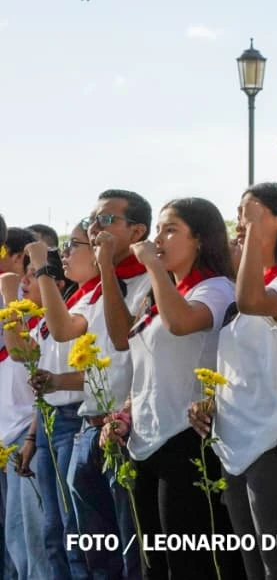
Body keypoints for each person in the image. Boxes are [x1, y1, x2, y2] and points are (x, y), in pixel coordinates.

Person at [189, 183, 277, 580]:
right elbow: (242, 363)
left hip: (276, 444)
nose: (241, 222)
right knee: (253, 567)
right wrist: (210, 401)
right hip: (236, 444)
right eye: (239, 213)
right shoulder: (257, 281)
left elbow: (252, 302)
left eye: (252, 213)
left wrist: (251, 244)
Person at [103, 198, 239, 580]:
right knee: (154, 566)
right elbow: (120, 339)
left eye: (170, 229)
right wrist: (124, 414)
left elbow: (180, 322)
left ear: (200, 239)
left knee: (188, 564)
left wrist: (151, 265)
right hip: (144, 442)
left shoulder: (214, 289)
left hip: (185, 442)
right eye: (158, 229)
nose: (158, 238)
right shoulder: (157, 292)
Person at [69, 190, 154, 580]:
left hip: (125, 426)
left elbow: (123, 340)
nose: (94, 230)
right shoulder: (94, 290)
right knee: (93, 549)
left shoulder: (149, 282)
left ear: (137, 230)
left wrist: (105, 268)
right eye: (91, 221)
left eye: (106, 220)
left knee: (131, 547)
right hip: (89, 425)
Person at [6, 225, 88, 580]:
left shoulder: (72, 319)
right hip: (44, 426)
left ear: (55, 283)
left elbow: (93, 378)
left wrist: (9, 294)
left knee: (69, 531)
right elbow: (25, 356)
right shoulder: (41, 326)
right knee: (49, 533)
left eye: (33, 275)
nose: (26, 282)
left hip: (70, 424)